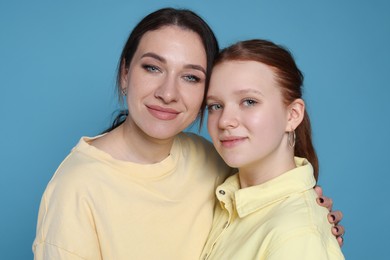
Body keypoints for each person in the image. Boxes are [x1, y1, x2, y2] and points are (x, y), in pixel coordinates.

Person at [33, 8, 343, 260]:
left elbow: (273, 203)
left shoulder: (210, 159)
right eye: (153, 68)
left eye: (191, 77)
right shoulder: (77, 187)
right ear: (126, 73)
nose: (168, 93)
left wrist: (307, 216)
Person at [201, 39, 345, 259]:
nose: (224, 121)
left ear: (292, 115)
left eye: (249, 101)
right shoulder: (223, 196)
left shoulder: (296, 235)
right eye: (215, 106)